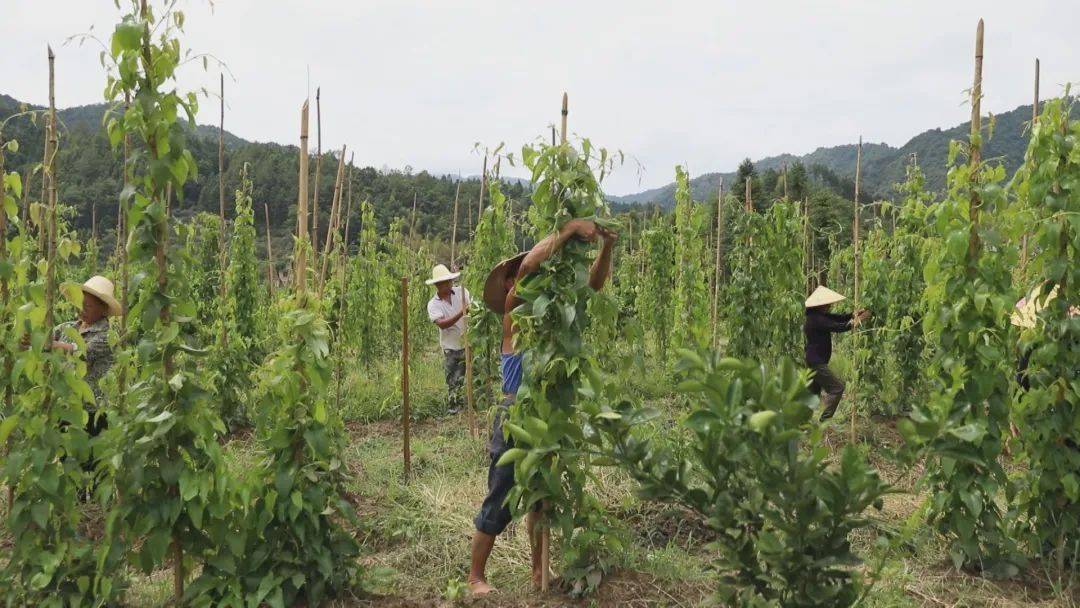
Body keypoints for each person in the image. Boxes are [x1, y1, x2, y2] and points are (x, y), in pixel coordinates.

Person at [468, 218, 616, 596]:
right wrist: (566, 230)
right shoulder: (514, 310)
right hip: (515, 414)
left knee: (542, 495)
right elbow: (531, 266)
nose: (528, 275)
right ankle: (475, 577)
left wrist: (607, 246)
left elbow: (593, 286)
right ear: (508, 285)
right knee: (501, 494)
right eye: (516, 274)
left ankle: (538, 571)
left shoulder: (550, 317)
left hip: (545, 412)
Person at [52, 275, 122, 437]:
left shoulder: (107, 336)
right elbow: (43, 338)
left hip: (91, 412)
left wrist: (52, 345)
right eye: (80, 303)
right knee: (64, 457)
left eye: (87, 306)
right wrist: (30, 340)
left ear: (104, 309)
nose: (81, 309)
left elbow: (81, 352)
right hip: (65, 406)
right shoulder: (68, 328)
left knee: (88, 458)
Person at [803, 286, 869, 421]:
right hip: (816, 363)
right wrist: (856, 322)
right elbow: (838, 327)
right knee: (837, 388)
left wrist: (853, 314)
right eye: (827, 303)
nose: (830, 305)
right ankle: (823, 422)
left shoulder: (818, 316)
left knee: (812, 396)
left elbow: (838, 318)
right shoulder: (816, 319)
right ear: (820, 304)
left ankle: (800, 424)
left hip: (814, 361)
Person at [426, 264, 470, 415]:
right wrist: (461, 312)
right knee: (452, 379)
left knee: (469, 375)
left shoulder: (462, 293)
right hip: (450, 348)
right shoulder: (433, 304)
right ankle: (454, 408)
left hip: (467, 344)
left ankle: (470, 404)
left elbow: (472, 311)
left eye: (450, 281)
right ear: (438, 285)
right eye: (445, 282)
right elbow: (442, 324)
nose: (449, 284)